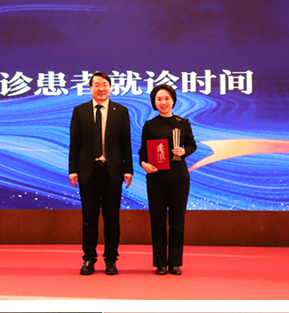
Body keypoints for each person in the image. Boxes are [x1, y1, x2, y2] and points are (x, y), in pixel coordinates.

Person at [69, 71, 133, 275]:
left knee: (112, 219)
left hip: (112, 172)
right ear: (90, 88)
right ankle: (89, 259)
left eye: (105, 84)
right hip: (88, 172)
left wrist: (128, 170)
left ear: (110, 88)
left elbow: (125, 143)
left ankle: (111, 260)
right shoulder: (80, 111)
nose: (101, 88)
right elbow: (75, 143)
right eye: (97, 85)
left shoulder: (120, 111)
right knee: (89, 219)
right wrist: (72, 170)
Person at [139, 84, 196, 275]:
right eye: (159, 99)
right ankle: (160, 263)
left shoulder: (182, 123)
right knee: (158, 221)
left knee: (177, 222)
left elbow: (192, 145)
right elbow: (143, 152)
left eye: (167, 98)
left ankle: (175, 263)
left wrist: (184, 151)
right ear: (154, 102)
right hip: (156, 179)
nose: (163, 102)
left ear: (173, 101)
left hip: (179, 178)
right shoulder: (150, 125)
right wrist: (144, 164)